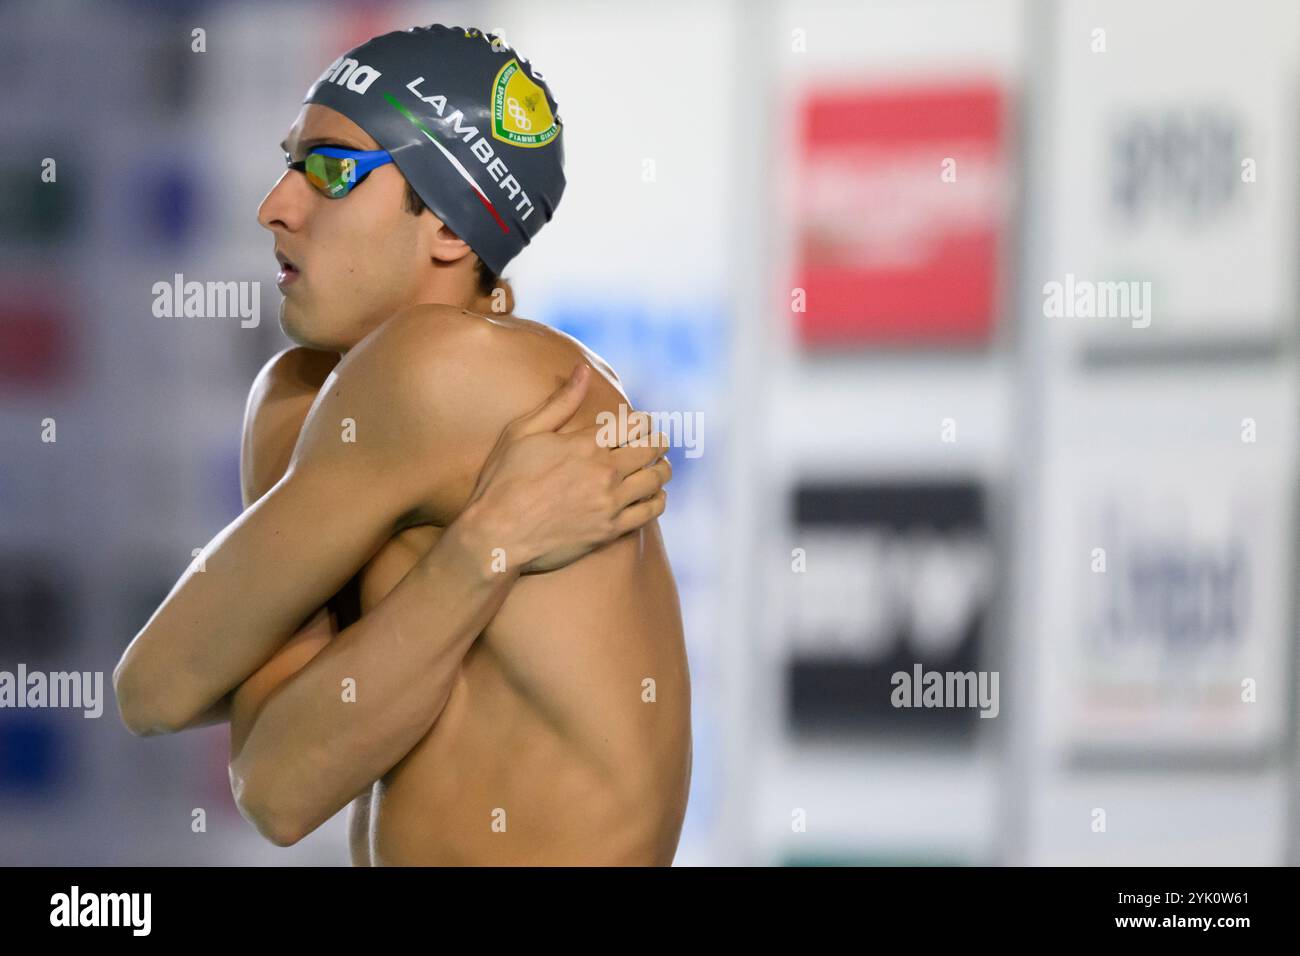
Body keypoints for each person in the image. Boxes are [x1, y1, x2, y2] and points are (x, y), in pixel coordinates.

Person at [113, 24, 692, 865]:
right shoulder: (309, 399)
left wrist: (484, 547)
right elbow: (272, 783)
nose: (275, 204)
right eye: (289, 161)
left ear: (451, 232)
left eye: (331, 170)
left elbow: (157, 689)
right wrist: (488, 545)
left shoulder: (438, 370)